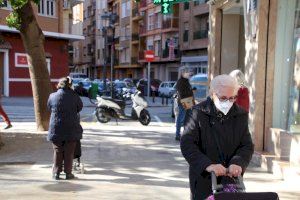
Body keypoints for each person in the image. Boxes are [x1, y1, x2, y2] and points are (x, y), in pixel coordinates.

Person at [180, 74, 254, 200]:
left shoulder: (241, 114)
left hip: (231, 179)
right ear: (212, 94)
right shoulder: (196, 112)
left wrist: (238, 163)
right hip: (204, 178)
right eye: (223, 98)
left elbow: (246, 145)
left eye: (232, 98)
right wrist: (207, 165)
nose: (228, 102)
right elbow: (187, 144)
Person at [47, 77, 83, 180]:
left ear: (59, 85)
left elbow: (49, 107)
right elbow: (79, 108)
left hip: (56, 128)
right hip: (71, 128)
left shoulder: (52, 96)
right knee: (69, 151)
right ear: (70, 85)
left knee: (57, 150)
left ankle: (56, 173)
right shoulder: (75, 96)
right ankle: (68, 173)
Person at [175, 69, 193, 141]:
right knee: (181, 118)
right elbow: (181, 93)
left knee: (187, 119)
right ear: (182, 73)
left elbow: (187, 91)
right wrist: (189, 93)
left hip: (188, 101)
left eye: (188, 72)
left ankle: (185, 134)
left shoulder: (186, 81)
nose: (188, 73)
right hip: (184, 101)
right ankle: (177, 134)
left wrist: (191, 91)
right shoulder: (180, 82)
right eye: (187, 72)